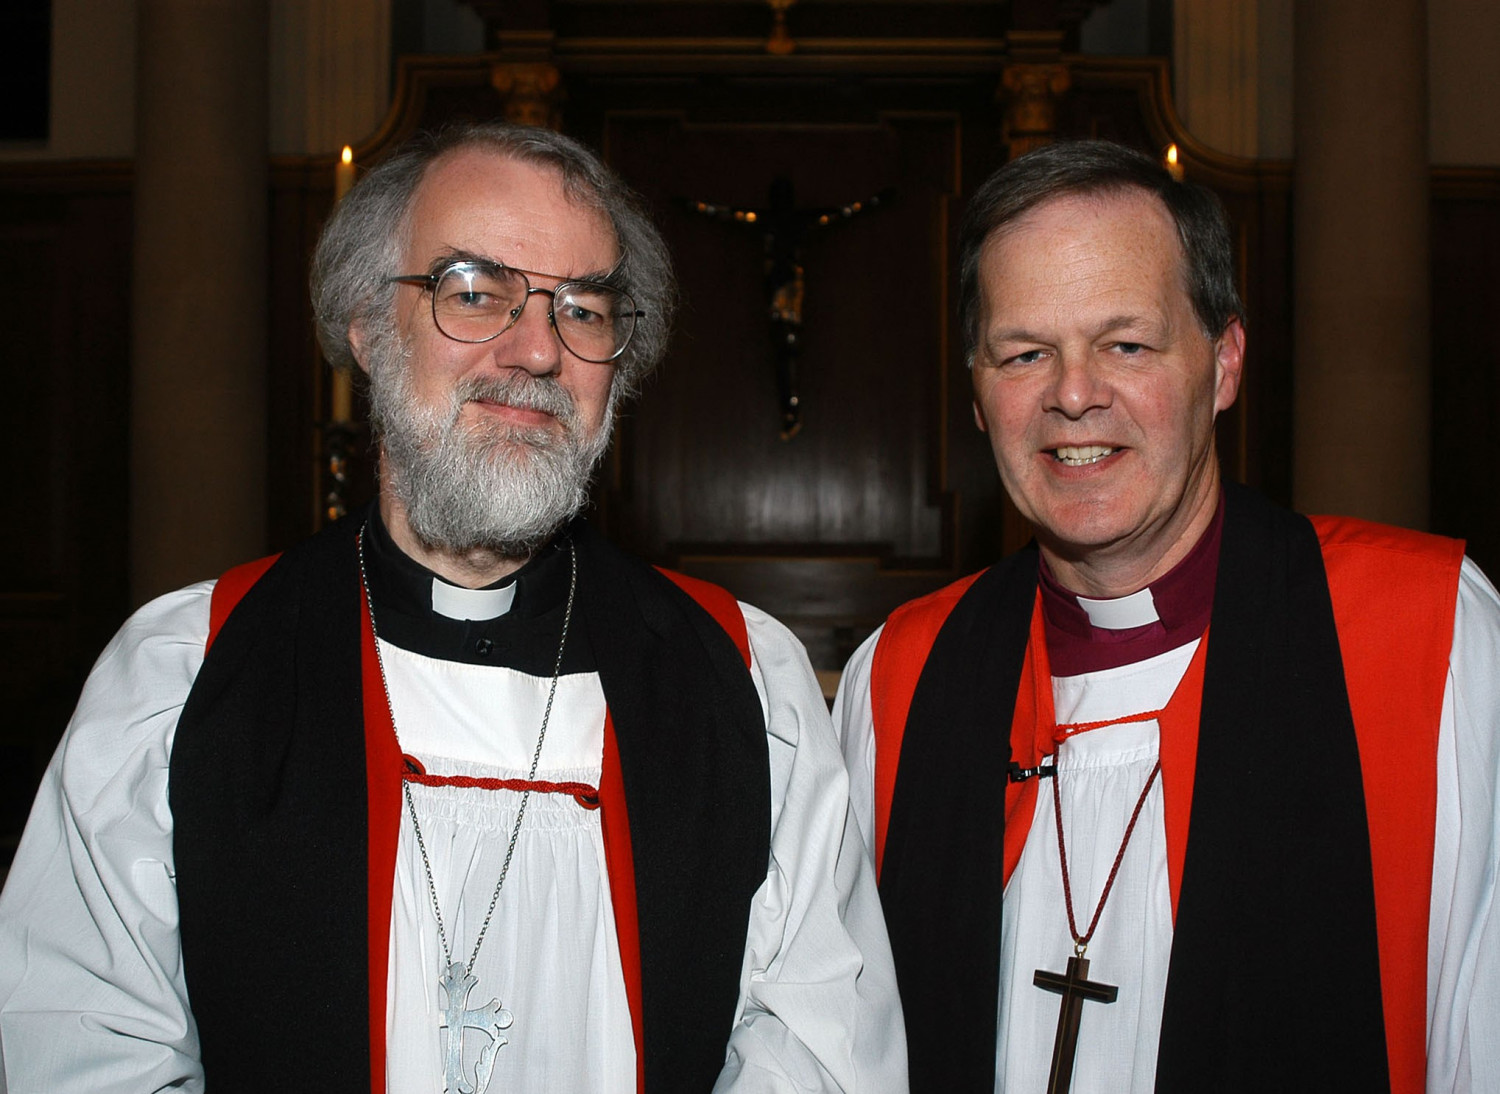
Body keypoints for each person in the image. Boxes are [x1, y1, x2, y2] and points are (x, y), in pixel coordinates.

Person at [0, 123, 906, 1094]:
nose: (536, 351)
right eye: (474, 291)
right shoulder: (183, 675)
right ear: (367, 325)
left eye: (584, 310)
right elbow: (90, 1052)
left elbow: (820, 1049)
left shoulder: (741, 679)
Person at [834, 139, 1500, 1094]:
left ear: (1223, 364)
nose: (1073, 395)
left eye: (1126, 344)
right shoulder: (899, 676)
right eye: (1026, 354)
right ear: (978, 399)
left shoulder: (1430, 641)